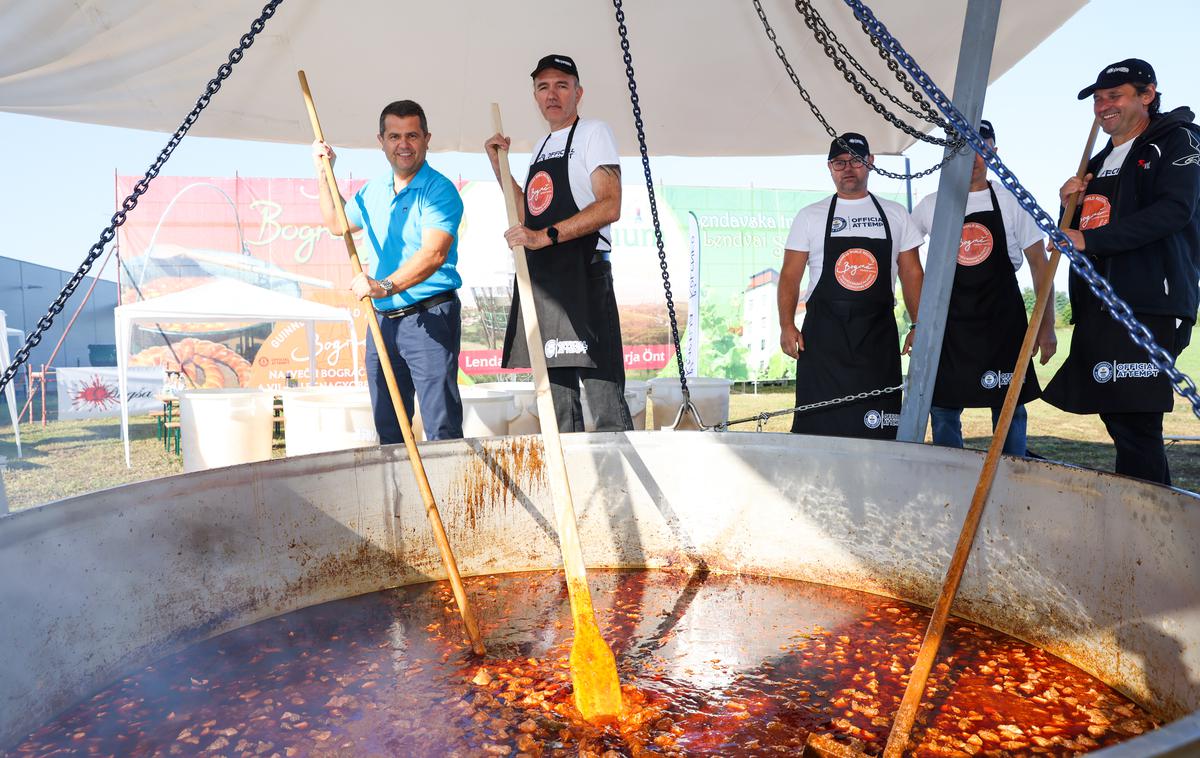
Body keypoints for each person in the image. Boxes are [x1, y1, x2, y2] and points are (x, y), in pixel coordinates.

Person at [1043, 58, 1200, 485]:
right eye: (1097, 100)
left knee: (1136, 423)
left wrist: (1087, 240)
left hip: (1151, 302)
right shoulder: (1098, 160)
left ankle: (1148, 528)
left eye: (1114, 96)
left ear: (1147, 95)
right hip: (1100, 305)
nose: (1103, 107)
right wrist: (1067, 208)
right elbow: (1086, 229)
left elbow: (1174, 211)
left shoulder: (1178, 141)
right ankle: (1146, 517)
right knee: (1119, 418)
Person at [484, 54, 632, 433]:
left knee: (604, 398)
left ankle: (618, 488)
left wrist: (544, 236)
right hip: (547, 282)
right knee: (558, 405)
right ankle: (575, 488)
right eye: (543, 86)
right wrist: (500, 167)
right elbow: (525, 213)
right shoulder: (539, 146)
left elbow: (610, 204)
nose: (552, 94)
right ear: (535, 96)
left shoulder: (593, 132)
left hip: (585, 276)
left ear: (578, 93)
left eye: (562, 85)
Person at [312, 100, 465, 442]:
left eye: (412, 135)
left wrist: (383, 285)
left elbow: (434, 253)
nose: (404, 144)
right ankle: (403, 498)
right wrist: (325, 174)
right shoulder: (372, 190)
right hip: (382, 322)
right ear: (380, 140)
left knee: (441, 426)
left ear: (426, 139)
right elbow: (338, 222)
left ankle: (445, 496)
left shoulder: (438, 190)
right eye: (394, 136)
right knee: (389, 427)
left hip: (429, 317)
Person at [911, 120, 1057, 456]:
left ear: (993, 150)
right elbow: (903, 257)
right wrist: (918, 320)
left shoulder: (1012, 201)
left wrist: (1045, 327)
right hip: (949, 324)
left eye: (980, 146)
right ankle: (952, 474)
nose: (972, 156)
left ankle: (1011, 474)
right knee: (943, 406)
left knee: (1010, 405)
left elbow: (1040, 266)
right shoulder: (933, 205)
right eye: (962, 147)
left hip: (1001, 320)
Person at [779, 133, 925, 439]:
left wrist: (919, 324)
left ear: (870, 163)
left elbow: (912, 273)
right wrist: (786, 324)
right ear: (829, 167)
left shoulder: (895, 214)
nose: (848, 168)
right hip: (823, 340)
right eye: (840, 162)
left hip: (877, 338)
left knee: (880, 432)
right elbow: (790, 275)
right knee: (817, 430)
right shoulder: (810, 216)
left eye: (856, 161)